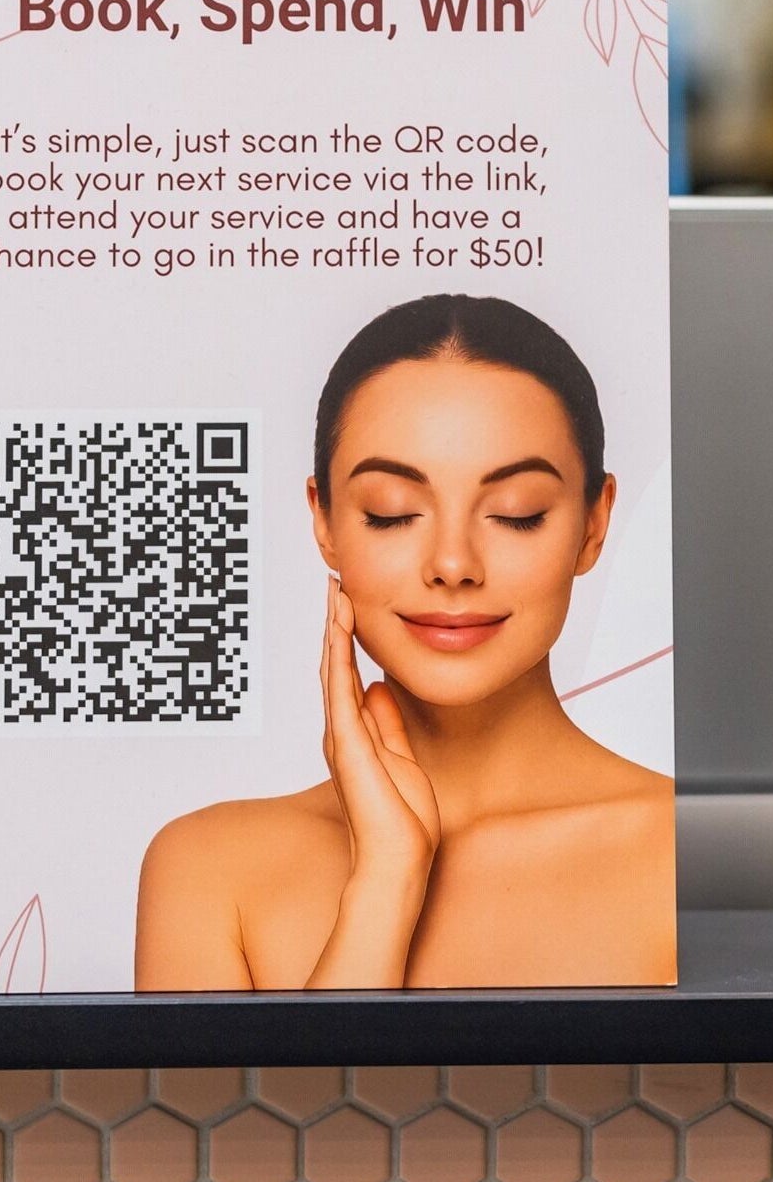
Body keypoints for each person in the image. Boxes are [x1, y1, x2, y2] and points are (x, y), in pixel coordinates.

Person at [136, 294, 674, 988]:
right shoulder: (207, 870)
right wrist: (384, 881)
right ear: (324, 521)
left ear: (594, 524)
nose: (453, 564)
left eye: (518, 513)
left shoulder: (683, 858)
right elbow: (291, 1106)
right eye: (392, 514)